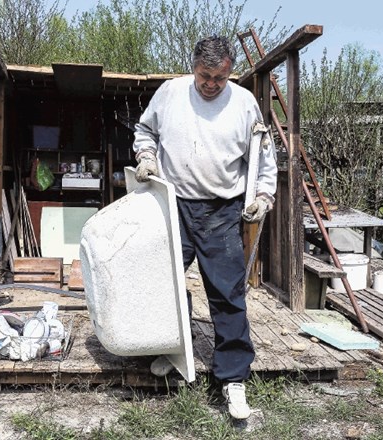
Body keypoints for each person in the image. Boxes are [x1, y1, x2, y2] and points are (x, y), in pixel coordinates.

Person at [132, 35, 277, 420]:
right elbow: (145, 131)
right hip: (173, 204)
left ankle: (232, 378)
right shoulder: (170, 93)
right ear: (193, 67)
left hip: (221, 210)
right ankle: (168, 349)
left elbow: (263, 156)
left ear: (230, 71)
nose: (211, 83)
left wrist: (263, 195)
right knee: (161, 282)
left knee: (227, 293)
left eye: (219, 77)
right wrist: (146, 156)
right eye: (204, 75)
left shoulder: (244, 103)